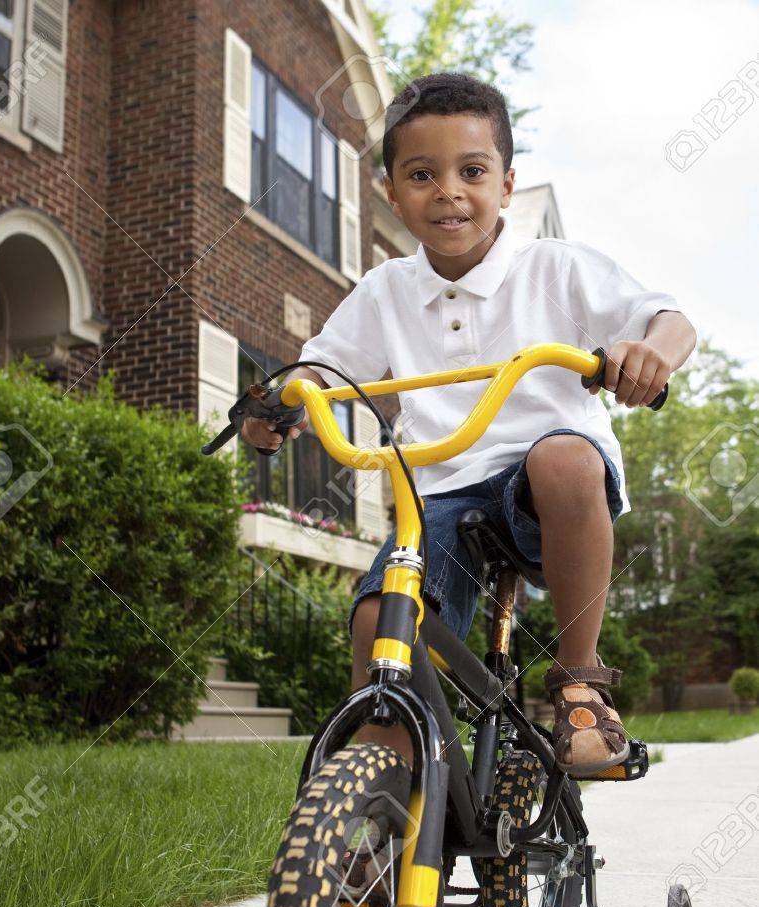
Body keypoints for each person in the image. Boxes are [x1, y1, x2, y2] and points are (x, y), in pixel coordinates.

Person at [240, 72, 696, 777]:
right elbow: (322, 369)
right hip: (442, 496)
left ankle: (581, 686)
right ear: (391, 195)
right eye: (421, 174)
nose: (448, 191)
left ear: (507, 185)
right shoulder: (385, 288)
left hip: (549, 497)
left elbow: (672, 321)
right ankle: (382, 796)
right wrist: (286, 401)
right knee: (378, 619)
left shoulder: (555, 268)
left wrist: (649, 354)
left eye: (472, 171)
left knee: (566, 459)